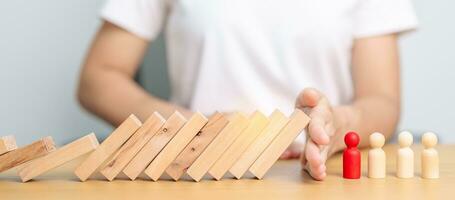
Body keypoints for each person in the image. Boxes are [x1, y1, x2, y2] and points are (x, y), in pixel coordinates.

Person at [77, 0, 418, 180]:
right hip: (203, 174)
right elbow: (98, 79)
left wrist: (338, 125)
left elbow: (382, 100)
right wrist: (192, 126)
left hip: (319, 177)